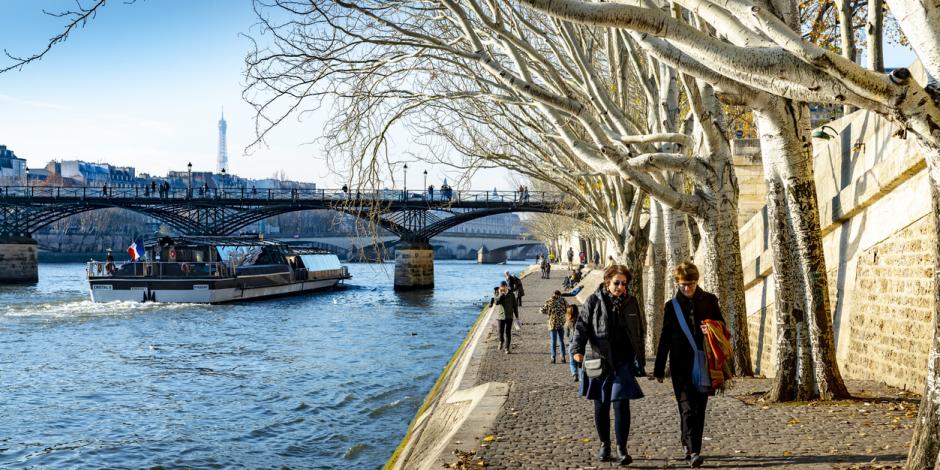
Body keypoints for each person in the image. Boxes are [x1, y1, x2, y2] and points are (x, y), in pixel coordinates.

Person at [570, 264, 646, 465]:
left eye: (624, 283)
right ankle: (605, 444)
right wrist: (576, 350)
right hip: (599, 360)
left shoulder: (631, 302)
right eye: (616, 283)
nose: (620, 287)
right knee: (601, 405)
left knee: (621, 404)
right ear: (607, 282)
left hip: (623, 361)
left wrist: (640, 356)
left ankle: (622, 448)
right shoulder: (593, 301)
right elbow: (581, 327)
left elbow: (640, 329)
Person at [653, 262, 724, 468]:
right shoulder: (671, 306)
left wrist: (710, 328)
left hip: (703, 363)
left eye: (690, 284)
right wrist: (659, 369)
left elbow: (722, 327)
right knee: (686, 407)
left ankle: (693, 447)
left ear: (697, 281)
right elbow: (665, 337)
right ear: (677, 282)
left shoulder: (710, 301)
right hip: (680, 365)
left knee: (699, 408)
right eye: (683, 284)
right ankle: (692, 450)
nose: (687, 288)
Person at [540, 290, 568, 363]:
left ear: (553, 294)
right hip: (561, 323)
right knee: (561, 340)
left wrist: (541, 310)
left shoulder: (550, 301)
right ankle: (563, 357)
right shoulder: (563, 300)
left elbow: (543, 310)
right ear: (560, 294)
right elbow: (567, 309)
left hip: (552, 323)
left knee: (553, 341)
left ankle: (553, 357)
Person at [491, 282, 518, 354]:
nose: (503, 289)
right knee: (500, 332)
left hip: (509, 316)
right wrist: (500, 294)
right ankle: (501, 341)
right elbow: (496, 302)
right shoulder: (497, 293)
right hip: (500, 316)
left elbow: (515, 306)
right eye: (501, 287)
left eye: (504, 287)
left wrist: (517, 316)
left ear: (507, 287)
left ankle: (507, 348)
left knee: (508, 332)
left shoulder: (511, 294)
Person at [565, 304, 581, 381]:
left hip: (572, 343)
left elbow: (566, 334)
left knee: (572, 361)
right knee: (580, 361)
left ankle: (575, 374)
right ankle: (581, 376)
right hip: (580, 343)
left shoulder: (568, 322)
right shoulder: (581, 320)